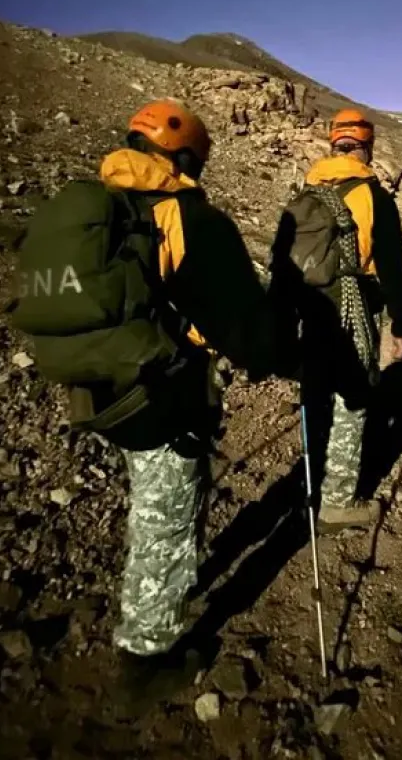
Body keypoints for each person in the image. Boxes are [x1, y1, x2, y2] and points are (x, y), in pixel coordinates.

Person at [91, 100, 277, 698]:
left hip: (105, 386)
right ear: (189, 155)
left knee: (155, 503)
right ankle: (145, 663)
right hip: (165, 397)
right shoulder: (193, 220)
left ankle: (163, 594)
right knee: (164, 523)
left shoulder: (102, 208)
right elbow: (248, 336)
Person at [270, 108, 402, 531]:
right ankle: (337, 500)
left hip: (307, 311)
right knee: (353, 399)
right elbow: (394, 272)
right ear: (366, 148)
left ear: (334, 145)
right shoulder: (374, 198)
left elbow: (283, 262)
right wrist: (400, 327)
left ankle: (310, 486)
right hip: (354, 310)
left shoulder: (304, 193)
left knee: (316, 392)